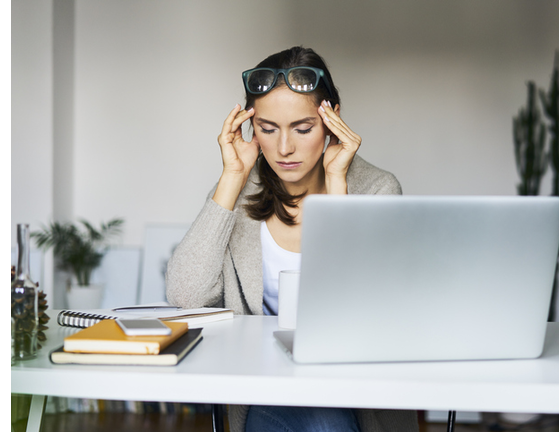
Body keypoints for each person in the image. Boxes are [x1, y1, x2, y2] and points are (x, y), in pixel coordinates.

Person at [166, 46, 417, 432]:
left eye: (302, 129)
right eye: (267, 129)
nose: (284, 149)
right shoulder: (238, 190)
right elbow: (185, 295)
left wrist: (337, 186)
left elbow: (363, 311)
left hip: (349, 388)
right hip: (263, 388)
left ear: (331, 121)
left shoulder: (378, 190)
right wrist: (232, 176)